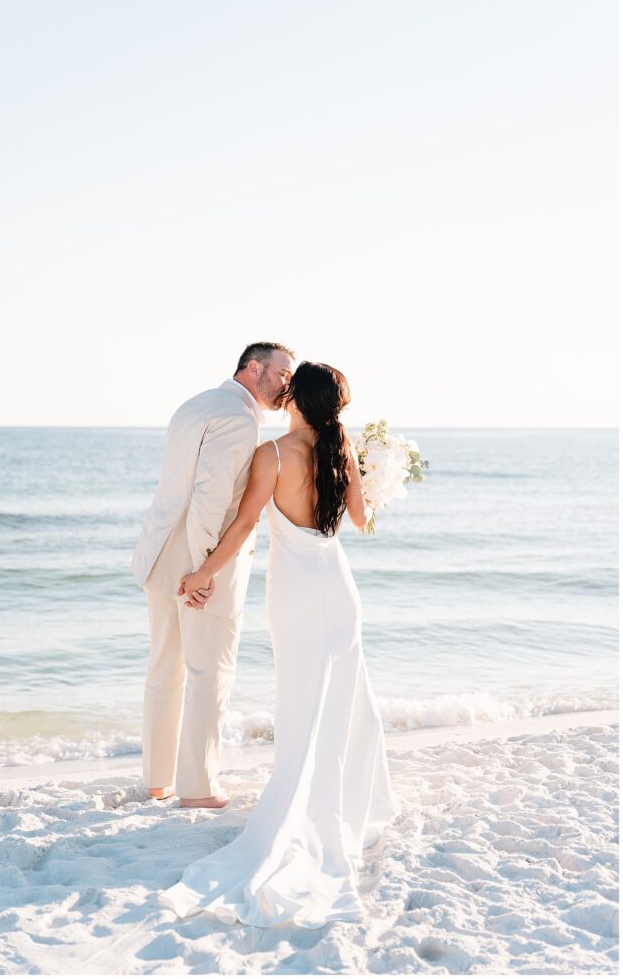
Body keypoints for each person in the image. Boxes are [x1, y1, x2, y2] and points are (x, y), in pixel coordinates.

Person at [160, 361, 397, 927]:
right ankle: (347, 803)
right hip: (338, 588)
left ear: (296, 399)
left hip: (295, 591)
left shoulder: (273, 453)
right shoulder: (341, 452)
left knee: (301, 696)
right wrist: (379, 475)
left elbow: (243, 525)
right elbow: (362, 521)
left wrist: (201, 574)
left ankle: (305, 804)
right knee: (342, 694)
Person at [131, 342, 295, 809]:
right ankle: (200, 789)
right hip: (196, 559)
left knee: (165, 670)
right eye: (282, 374)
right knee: (209, 673)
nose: (287, 384)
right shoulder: (239, 418)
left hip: (159, 551)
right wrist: (204, 570)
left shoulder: (196, 403)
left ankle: (158, 781)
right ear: (253, 367)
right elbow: (209, 496)